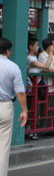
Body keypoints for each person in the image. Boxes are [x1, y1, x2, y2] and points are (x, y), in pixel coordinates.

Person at [0, 38, 28, 176]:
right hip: (5, 107)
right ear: (8, 51)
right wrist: (24, 110)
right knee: (3, 147)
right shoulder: (13, 67)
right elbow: (20, 92)